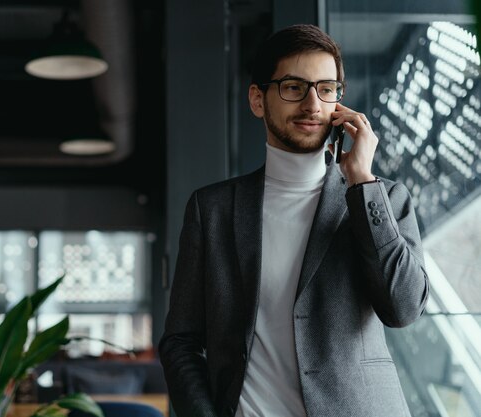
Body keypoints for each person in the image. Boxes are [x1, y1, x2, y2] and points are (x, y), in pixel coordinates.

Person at [159, 24, 429, 417]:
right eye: (292, 87)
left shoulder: (382, 199)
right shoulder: (212, 210)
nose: (312, 104)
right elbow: (180, 340)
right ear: (257, 99)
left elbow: (403, 309)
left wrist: (362, 183)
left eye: (326, 89)